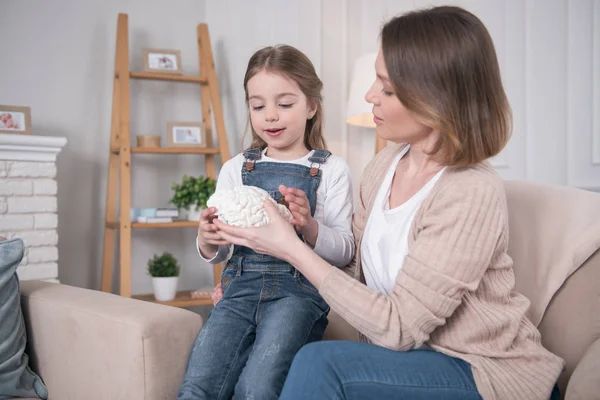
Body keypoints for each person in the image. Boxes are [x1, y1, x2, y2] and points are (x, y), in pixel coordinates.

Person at [212, 6, 564, 400]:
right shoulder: (385, 165)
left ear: (436, 96)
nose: (369, 96)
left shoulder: (470, 191)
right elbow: (349, 271)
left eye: (387, 88)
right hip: (410, 362)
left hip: (484, 371)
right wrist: (256, 287)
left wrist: (290, 248)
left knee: (319, 364)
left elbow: (400, 327)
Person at [177, 44, 355, 400]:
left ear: (312, 106)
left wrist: (309, 227)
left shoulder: (331, 170)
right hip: (238, 290)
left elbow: (346, 251)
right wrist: (208, 240)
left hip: (298, 294)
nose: (270, 116)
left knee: (258, 386)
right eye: (258, 106)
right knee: (199, 385)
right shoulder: (236, 169)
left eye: (285, 104)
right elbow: (223, 250)